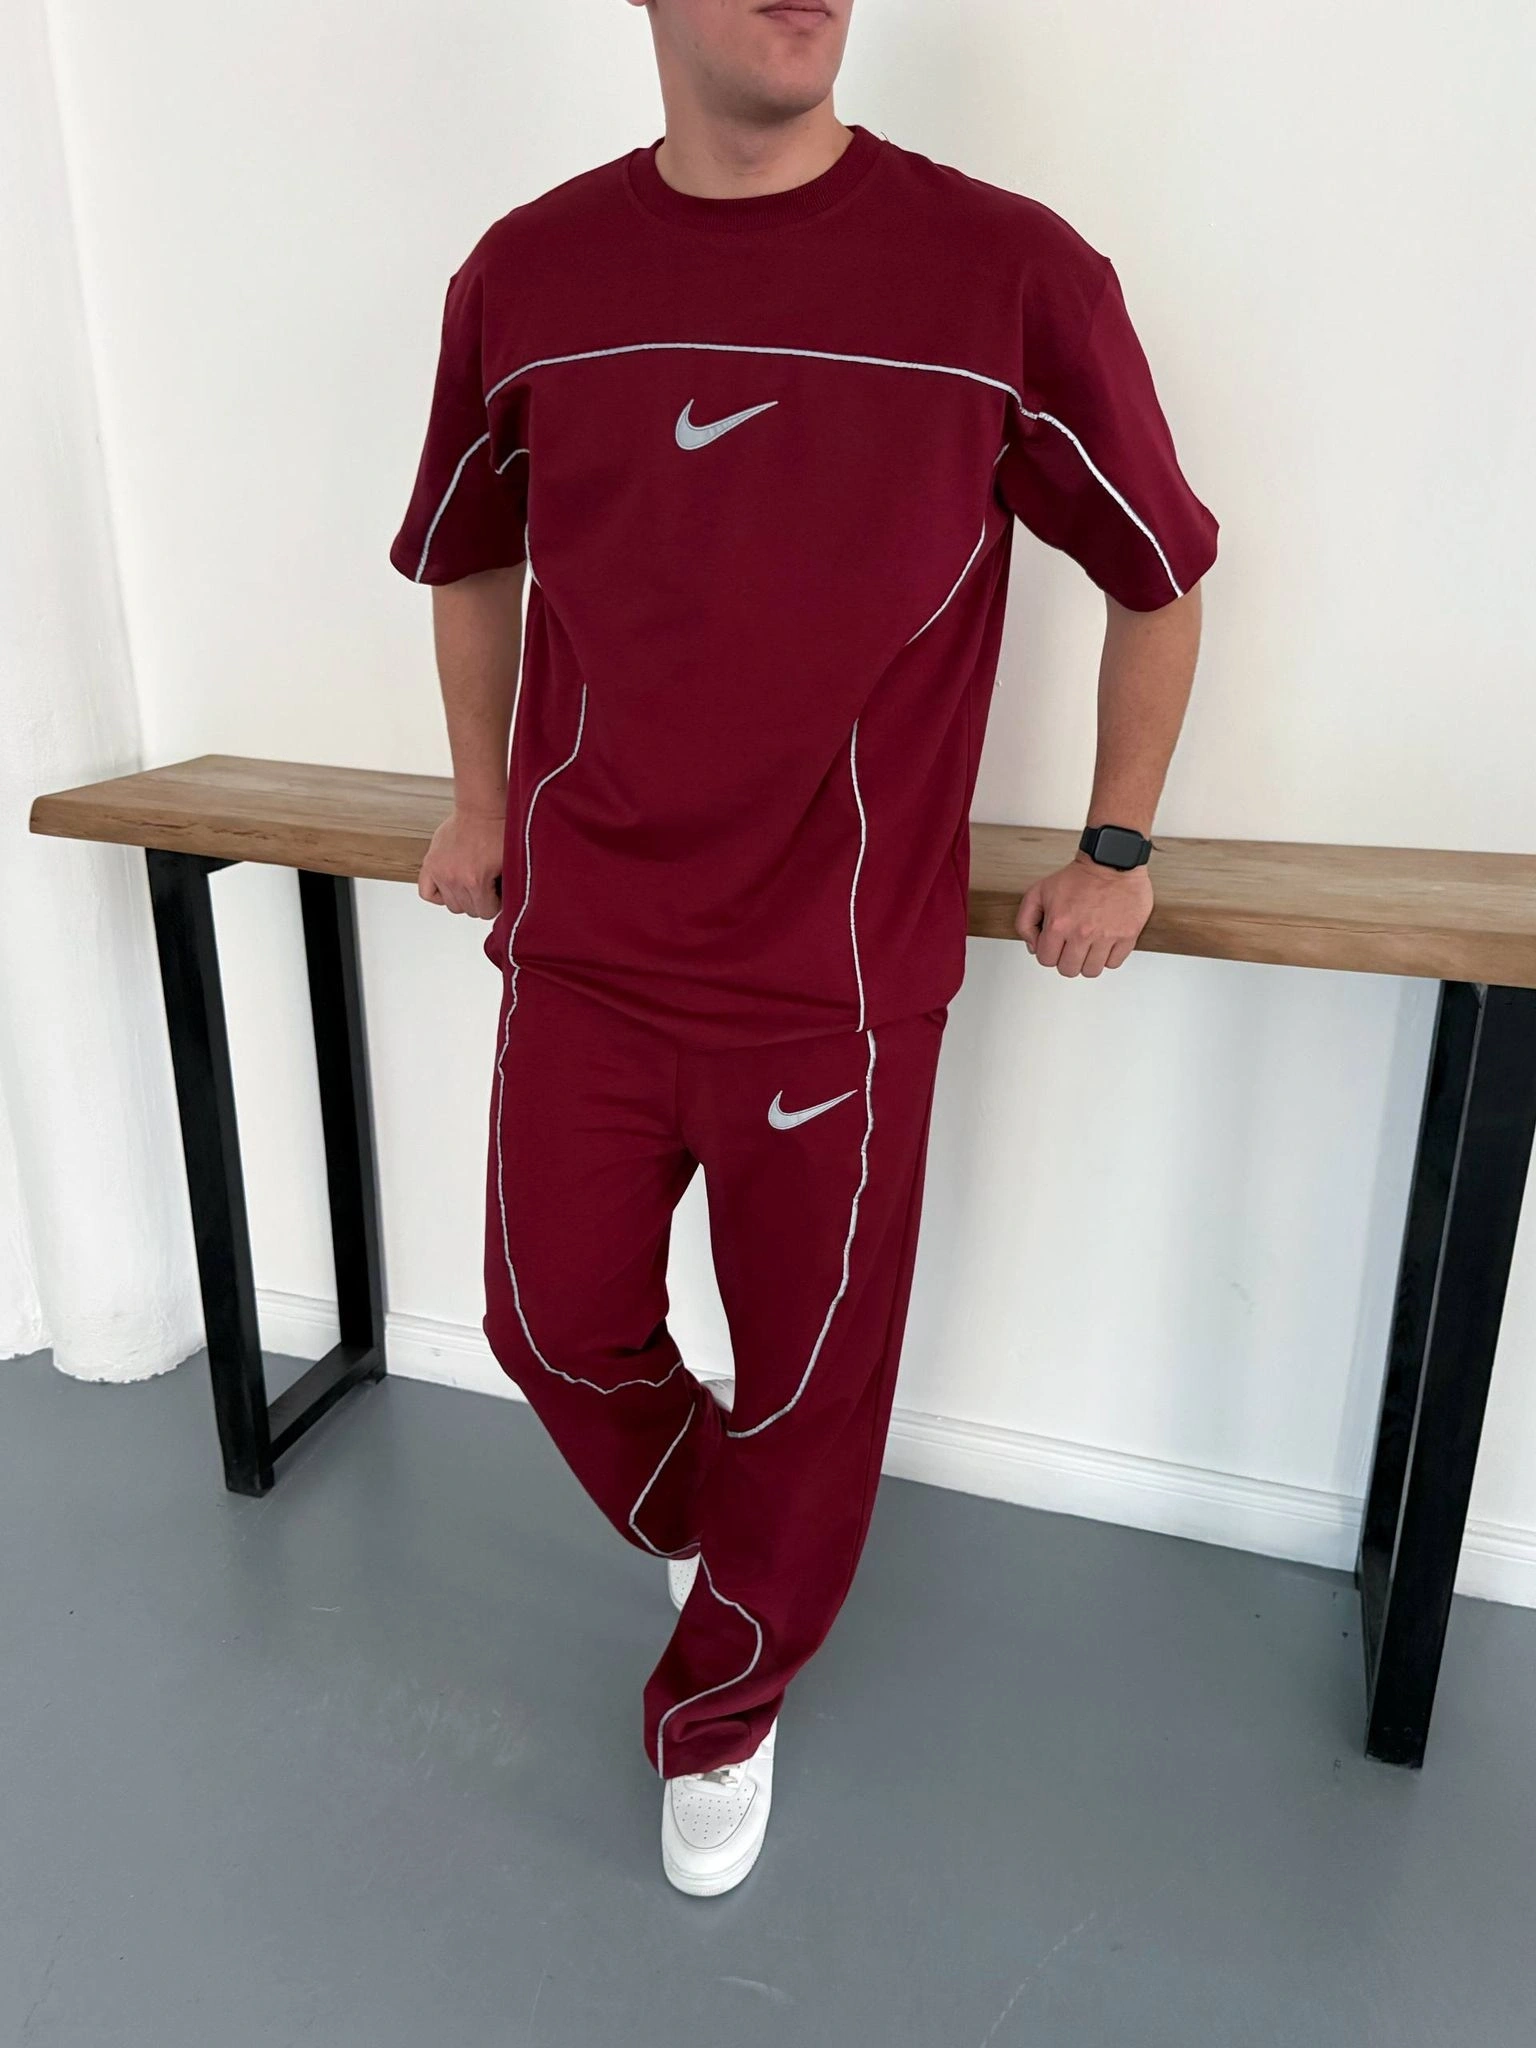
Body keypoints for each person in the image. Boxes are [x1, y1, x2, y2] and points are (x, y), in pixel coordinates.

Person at [388, 0, 1217, 1897]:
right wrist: (480, 797)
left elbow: (1160, 571)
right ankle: (742, 1527)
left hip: (833, 985)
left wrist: (1117, 844)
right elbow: (471, 553)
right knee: (546, 1320)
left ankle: (726, 1706)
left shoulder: (1010, 275)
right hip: (586, 943)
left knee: (810, 1389)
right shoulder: (526, 276)